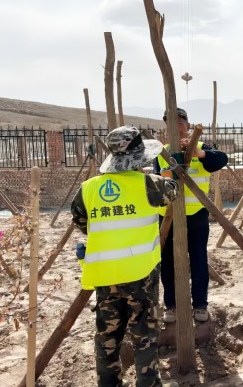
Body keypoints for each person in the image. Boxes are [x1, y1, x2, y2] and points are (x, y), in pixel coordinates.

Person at [70, 126, 179, 387]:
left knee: (107, 338)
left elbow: (81, 221)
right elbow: (173, 189)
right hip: (141, 276)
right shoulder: (151, 185)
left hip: (104, 276)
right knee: (145, 336)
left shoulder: (88, 189)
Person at [154, 107, 228, 324]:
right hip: (167, 216)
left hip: (196, 215)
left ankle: (200, 305)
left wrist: (199, 153)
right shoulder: (161, 152)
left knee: (198, 260)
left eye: (179, 122)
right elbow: (157, 181)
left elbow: (220, 160)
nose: (174, 127)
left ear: (187, 125)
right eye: (170, 123)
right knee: (167, 262)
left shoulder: (201, 147)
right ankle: (171, 306)